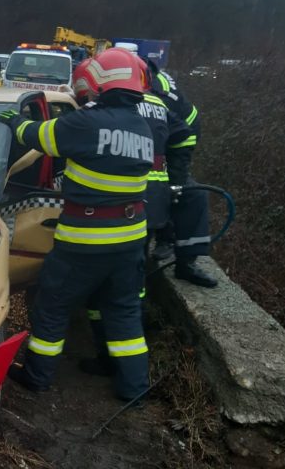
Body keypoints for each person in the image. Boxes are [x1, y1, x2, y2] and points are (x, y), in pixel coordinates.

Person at [0, 49, 153, 402]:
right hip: (130, 241)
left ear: (100, 81)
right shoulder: (141, 126)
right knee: (124, 313)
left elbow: (38, 136)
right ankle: (135, 390)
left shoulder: (87, 123)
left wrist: (13, 122)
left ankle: (37, 377)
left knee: (51, 307)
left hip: (85, 241)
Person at [71, 51, 195, 377]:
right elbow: (187, 135)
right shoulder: (158, 104)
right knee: (131, 286)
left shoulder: (106, 108)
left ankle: (108, 356)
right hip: (152, 208)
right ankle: (131, 357)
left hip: (114, 207)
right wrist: (176, 180)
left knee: (105, 288)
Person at [144, 58, 217, 287]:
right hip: (133, 156)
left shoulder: (164, 97)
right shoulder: (125, 90)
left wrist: (175, 183)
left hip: (169, 149)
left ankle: (185, 262)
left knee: (192, 195)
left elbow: (185, 138)